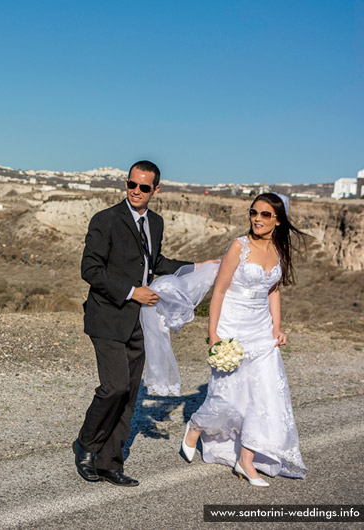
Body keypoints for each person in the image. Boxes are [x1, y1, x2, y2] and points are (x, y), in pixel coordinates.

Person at [74, 160, 202, 486]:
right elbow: (90, 269)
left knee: (129, 393)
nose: (136, 191)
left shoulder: (155, 222)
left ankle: (110, 462)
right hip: (108, 316)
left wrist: (197, 267)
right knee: (114, 387)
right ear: (126, 183)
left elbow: (155, 262)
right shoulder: (106, 220)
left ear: (155, 190)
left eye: (144, 187)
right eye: (132, 184)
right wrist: (133, 292)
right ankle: (86, 446)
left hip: (141, 323)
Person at [181, 192, 308, 486]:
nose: (257, 219)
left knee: (266, 397)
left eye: (265, 215)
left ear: (277, 220)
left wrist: (277, 327)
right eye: (254, 213)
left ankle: (246, 461)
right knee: (227, 398)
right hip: (232, 328)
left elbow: (273, 291)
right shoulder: (239, 246)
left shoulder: (279, 249)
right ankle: (197, 425)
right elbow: (220, 291)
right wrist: (214, 335)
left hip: (262, 331)